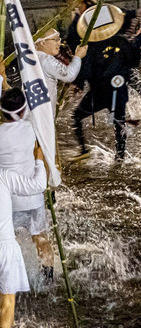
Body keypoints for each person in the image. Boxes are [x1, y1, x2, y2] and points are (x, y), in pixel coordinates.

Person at [71, 4, 141, 161]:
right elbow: (134, 62)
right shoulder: (123, 42)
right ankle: (120, 156)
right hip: (119, 92)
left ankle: (83, 149)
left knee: (76, 116)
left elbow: (86, 70)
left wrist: (78, 84)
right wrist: (138, 42)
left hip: (99, 92)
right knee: (119, 122)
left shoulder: (89, 47)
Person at [0, 90, 54, 284]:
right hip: (33, 196)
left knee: (5, 240)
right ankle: (47, 280)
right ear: (23, 111)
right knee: (40, 237)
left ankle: (7, 280)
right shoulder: (33, 128)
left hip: (8, 200)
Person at [0, 138, 47, 328]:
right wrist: (39, 160)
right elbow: (38, 185)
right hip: (4, 246)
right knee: (7, 305)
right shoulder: (4, 176)